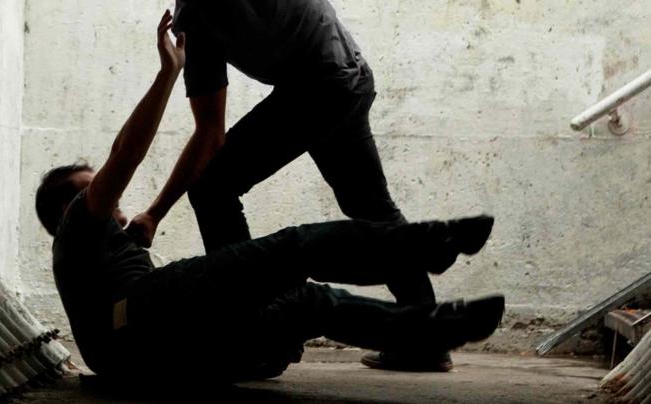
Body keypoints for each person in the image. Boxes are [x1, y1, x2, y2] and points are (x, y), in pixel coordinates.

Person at [35, 11, 505, 383]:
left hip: (162, 352)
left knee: (308, 302)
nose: (110, 198)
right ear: (66, 210)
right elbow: (126, 153)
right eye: (92, 188)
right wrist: (169, 73)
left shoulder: (100, 255)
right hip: (136, 322)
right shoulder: (76, 230)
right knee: (292, 249)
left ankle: (430, 331)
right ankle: (428, 245)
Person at [125, 0, 467, 372]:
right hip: (348, 77)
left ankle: (256, 335)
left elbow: (210, 133)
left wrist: (155, 213)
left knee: (212, 186)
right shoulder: (197, 15)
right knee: (372, 210)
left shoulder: (196, 13)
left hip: (318, 87)